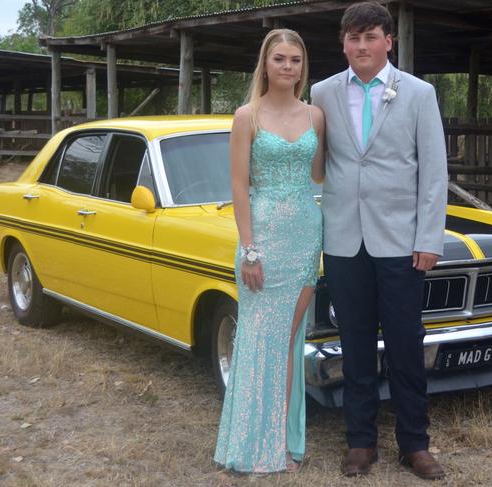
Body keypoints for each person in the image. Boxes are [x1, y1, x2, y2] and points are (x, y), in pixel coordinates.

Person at [310, 1, 447, 480]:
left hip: (401, 243)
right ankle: (361, 442)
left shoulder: (417, 93)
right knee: (356, 344)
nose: (361, 46)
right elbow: (317, 162)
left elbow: (433, 172)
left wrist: (429, 236)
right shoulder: (322, 92)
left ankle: (415, 443)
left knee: (407, 345)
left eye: (370, 37)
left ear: (389, 41)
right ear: (343, 43)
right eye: (353, 37)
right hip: (344, 240)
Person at [214, 29, 325, 474]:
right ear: (265, 63)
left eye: (295, 60)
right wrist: (251, 250)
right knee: (260, 341)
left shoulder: (316, 116)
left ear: (302, 66)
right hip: (263, 239)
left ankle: (283, 443)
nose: (287, 67)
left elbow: (318, 175)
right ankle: (252, 445)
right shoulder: (247, 116)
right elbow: (239, 186)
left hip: (304, 235)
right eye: (279, 59)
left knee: (289, 342)